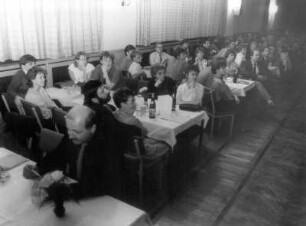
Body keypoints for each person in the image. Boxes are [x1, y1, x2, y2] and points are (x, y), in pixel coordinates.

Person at [39, 105, 124, 198]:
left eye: (77, 131)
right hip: (74, 196)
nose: (70, 135)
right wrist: (38, 169)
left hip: (101, 202)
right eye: (68, 129)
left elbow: (102, 186)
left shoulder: (108, 147)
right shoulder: (73, 136)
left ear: (93, 128)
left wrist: (65, 189)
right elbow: (55, 157)